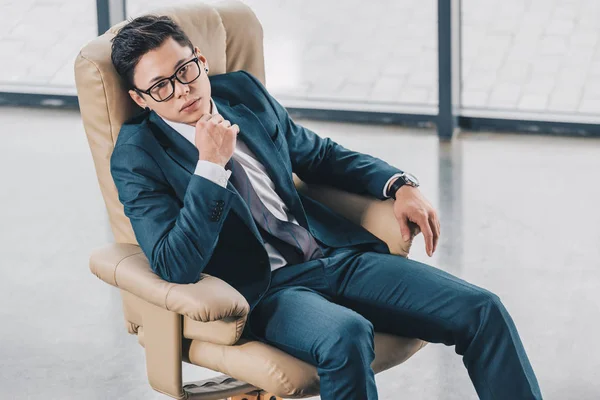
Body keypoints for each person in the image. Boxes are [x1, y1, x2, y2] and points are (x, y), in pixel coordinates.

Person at [109, 15, 543, 400]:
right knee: (346, 334)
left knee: (482, 309)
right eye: (162, 87)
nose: (183, 91)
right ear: (142, 99)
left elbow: (317, 155)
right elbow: (173, 263)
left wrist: (398, 184)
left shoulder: (240, 91)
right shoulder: (137, 155)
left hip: (332, 256)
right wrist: (209, 168)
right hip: (267, 291)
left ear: (200, 58)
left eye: (186, 70)